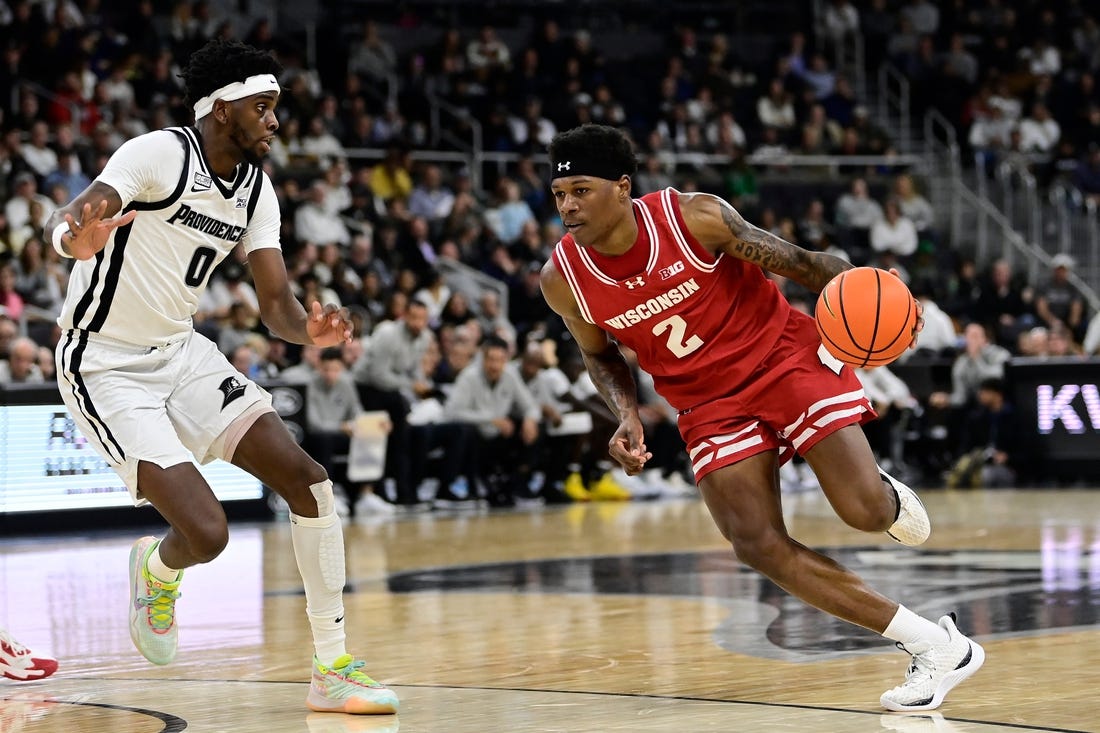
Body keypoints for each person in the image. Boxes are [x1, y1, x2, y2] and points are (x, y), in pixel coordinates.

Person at [539, 124, 984, 713]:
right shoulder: (562, 279)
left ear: (623, 188)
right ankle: (934, 646)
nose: (568, 206)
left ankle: (881, 496)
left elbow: (802, 264)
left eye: (582, 190)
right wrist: (627, 413)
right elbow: (599, 354)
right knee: (754, 543)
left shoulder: (693, 219)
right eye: (559, 194)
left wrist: (872, 289)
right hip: (705, 404)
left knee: (864, 513)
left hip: (780, 358)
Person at [43, 39, 397, 716]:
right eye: (262, 106)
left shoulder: (258, 190)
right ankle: (157, 568)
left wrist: (310, 330)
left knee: (311, 482)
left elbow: (275, 306)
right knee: (207, 533)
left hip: (181, 352)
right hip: (103, 360)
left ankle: (333, 667)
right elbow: (75, 214)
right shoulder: (159, 153)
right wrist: (72, 240)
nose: (274, 120)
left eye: (275, 108)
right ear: (221, 105)